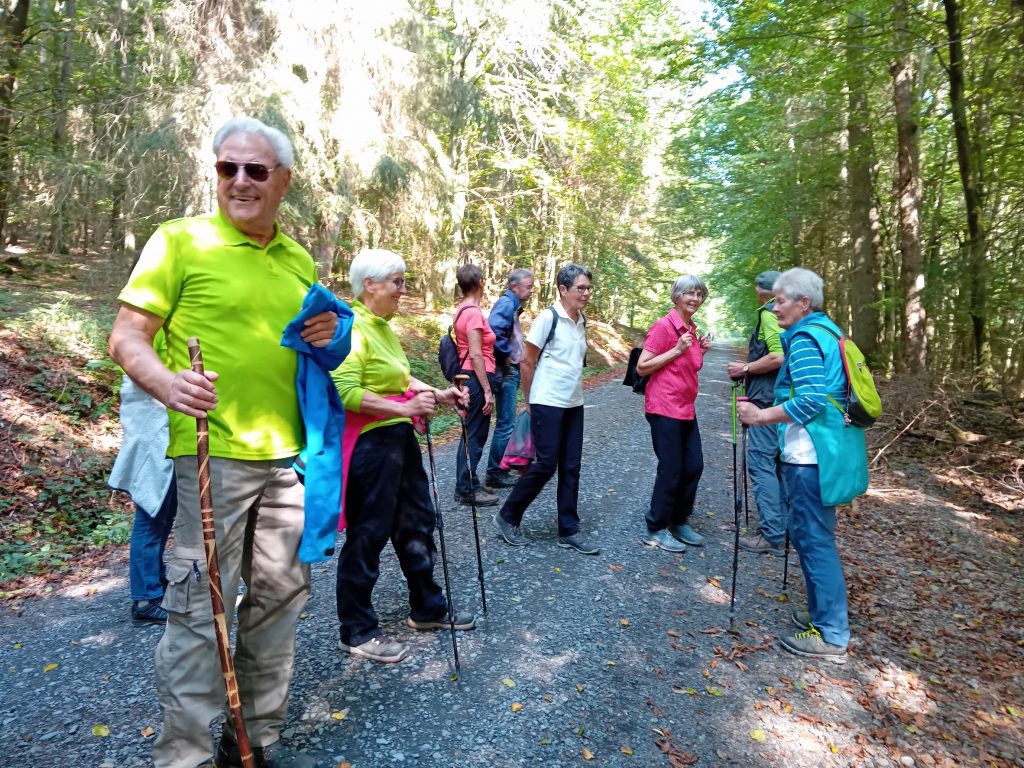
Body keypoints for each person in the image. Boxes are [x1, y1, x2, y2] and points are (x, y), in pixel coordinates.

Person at [108, 115, 345, 768]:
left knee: (277, 604)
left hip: (290, 462)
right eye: (226, 167)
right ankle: (186, 756)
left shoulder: (298, 261)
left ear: (283, 182)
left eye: (255, 170)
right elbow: (127, 337)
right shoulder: (177, 241)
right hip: (212, 456)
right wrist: (168, 385)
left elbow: (314, 352)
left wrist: (330, 343)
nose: (238, 181)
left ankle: (256, 740)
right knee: (197, 611)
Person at [331, 248, 475, 664]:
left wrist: (435, 394)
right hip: (369, 446)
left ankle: (427, 608)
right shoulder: (352, 329)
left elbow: (398, 377)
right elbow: (345, 393)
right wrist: (404, 408)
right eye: (397, 281)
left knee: (417, 520)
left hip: (398, 438)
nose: (403, 289)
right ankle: (356, 629)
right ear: (369, 284)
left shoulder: (382, 327)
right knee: (369, 532)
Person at [737, 267, 864, 664]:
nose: (774, 308)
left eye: (780, 300)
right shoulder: (830, 331)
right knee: (811, 536)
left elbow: (809, 400)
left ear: (803, 302)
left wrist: (759, 417)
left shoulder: (807, 338)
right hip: (823, 452)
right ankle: (821, 615)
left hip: (811, 457)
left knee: (813, 540)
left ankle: (831, 634)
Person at [493, 263, 598, 555]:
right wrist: (529, 400)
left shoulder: (581, 320)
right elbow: (527, 362)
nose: (586, 293)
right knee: (545, 464)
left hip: (574, 404)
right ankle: (507, 516)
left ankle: (569, 530)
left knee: (571, 466)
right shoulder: (548, 318)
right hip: (546, 402)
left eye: (588, 288)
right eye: (581, 288)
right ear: (563, 289)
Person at [635, 275, 713, 553]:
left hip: (685, 407)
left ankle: (679, 521)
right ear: (676, 297)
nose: (695, 299)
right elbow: (643, 367)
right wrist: (678, 348)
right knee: (671, 468)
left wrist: (698, 350)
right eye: (689, 293)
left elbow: (690, 367)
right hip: (663, 406)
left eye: (699, 294)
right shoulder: (664, 327)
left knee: (694, 465)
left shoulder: (691, 328)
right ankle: (655, 528)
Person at [108, 350, 177, 626]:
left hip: (165, 445)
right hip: (156, 445)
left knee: (161, 519)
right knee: (151, 520)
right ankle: (146, 598)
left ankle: (156, 584)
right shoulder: (146, 348)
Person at [726, 270, 787, 557]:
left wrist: (746, 368)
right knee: (778, 464)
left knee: (762, 463)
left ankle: (772, 535)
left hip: (767, 400)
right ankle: (784, 530)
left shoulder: (768, 314)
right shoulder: (793, 315)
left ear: (760, 291)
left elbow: (778, 356)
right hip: (785, 399)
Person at [483, 267, 535, 491]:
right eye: (529, 286)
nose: (532, 290)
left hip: (508, 370)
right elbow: (493, 332)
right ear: (515, 286)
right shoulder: (507, 303)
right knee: (506, 424)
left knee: (506, 423)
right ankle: (495, 472)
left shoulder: (511, 304)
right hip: (506, 372)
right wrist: (506, 356)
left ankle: (498, 469)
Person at [452, 263, 499, 506]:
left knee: (471, 433)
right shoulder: (472, 312)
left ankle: (468, 483)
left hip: (470, 377)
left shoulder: (463, 309)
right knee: (475, 435)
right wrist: (488, 390)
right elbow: (476, 354)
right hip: (477, 377)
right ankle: (467, 489)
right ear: (480, 282)